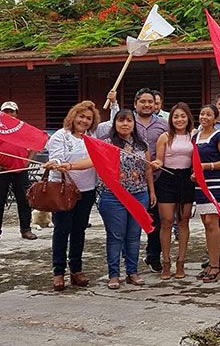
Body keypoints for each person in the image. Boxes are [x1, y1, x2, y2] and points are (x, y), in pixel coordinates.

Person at [58, 109, 156, 289]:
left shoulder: (142, 145)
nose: (125, 124)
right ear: (115, 123)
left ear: (134, 124)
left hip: (139, 194)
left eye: (128, 121)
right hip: (113, 196)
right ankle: (114, 275)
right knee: (116, 236)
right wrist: (70, 166)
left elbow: (148, 168)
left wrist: (151, 191)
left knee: (134, 236)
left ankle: (132, 272)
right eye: (121, 121)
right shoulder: (105, 143)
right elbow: (92, 161)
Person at [105, 88, 168, 273]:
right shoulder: (113, 136)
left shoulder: (163, 125)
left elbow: (163, 153)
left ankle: (149, 259)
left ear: (157, 104)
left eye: (151, 102)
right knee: (118, 234)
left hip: (150, 184)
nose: (147, 105)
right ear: (135, 104)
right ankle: (116, 272)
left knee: (149, 226)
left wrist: (152, 188)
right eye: (143, 101)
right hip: (117, 192)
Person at [45, 101, 100, 291]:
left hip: (86, 191)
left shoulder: (93, 137)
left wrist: (114, 102)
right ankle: (58, 272)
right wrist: (55, 163)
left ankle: (76, 269)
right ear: (73, 116)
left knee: (79, 231)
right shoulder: (61, 135)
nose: (84, 121)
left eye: (88, 118)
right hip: (63, 191)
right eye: (81, 116)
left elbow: (94, 159)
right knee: (62, 230)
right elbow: (57, 156)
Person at [151, 102, 196, 280]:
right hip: (167, 179)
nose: (179, 120)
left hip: (187, 179)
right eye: (176, 116)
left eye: (182, 116)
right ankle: (166, 262)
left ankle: (181, 262)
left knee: (183, 221)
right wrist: (156, 164)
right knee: (166, 221)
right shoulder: (164, 137)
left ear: (188, 118)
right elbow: (160, 160)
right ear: (171, 119)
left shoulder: (194, 135)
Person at [0, 101, 37, 244]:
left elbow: (35, 144)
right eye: (6, 111)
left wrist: (27, 161)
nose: (9, 114)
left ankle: (26, 229)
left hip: (20, 170)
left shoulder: (23, 129)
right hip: (0, 171)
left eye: (12, 111)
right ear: (0, 113)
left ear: (17, 113)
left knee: (24, 201)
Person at [193, 104, 220, 283]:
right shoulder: (196, 136)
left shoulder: (219, 136)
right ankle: (211, 262)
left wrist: (207, 166)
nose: (204, 117)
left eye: (209, 114)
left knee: (212, 222)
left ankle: (216, 265)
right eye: (202, 114)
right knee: (205, 224)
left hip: (217, 183)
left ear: (215, 118)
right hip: (200, 184)